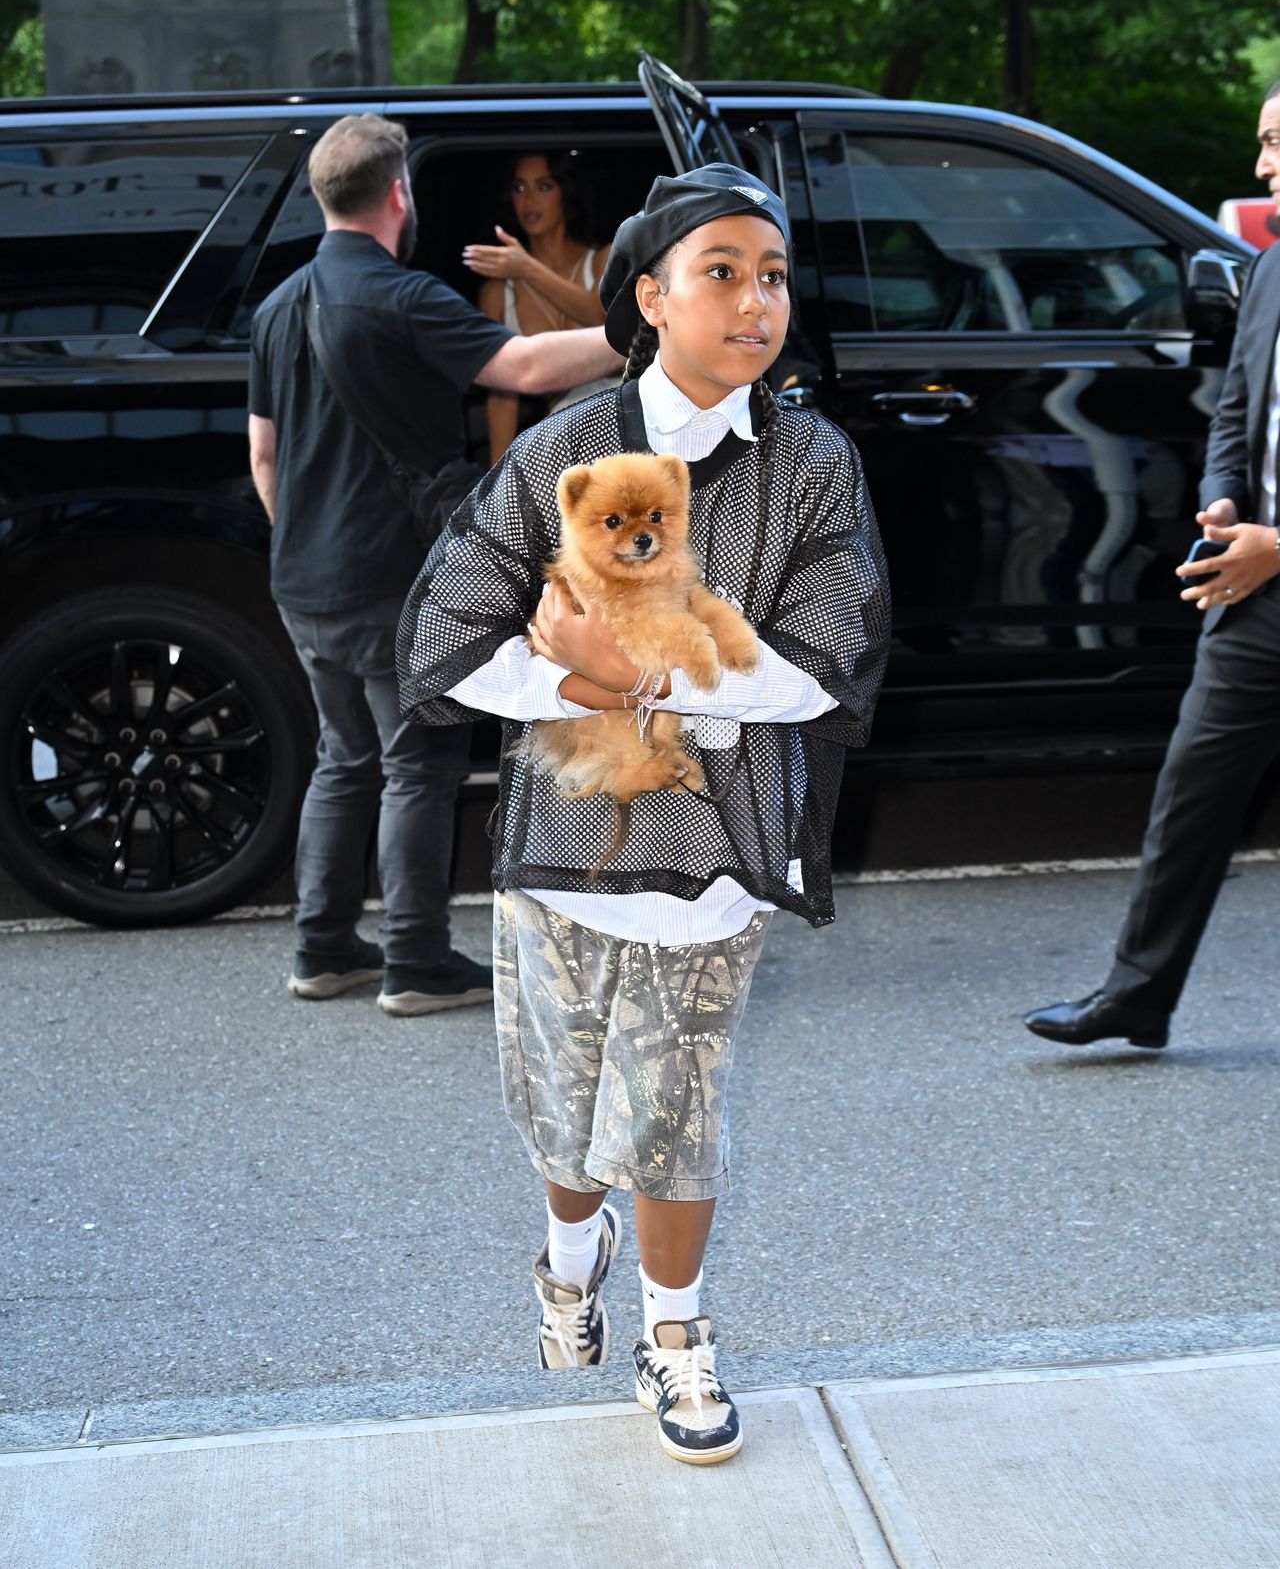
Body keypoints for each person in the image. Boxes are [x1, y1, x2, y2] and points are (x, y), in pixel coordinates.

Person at [398, 165, 889, 1462]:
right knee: (562, 1107)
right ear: (649, 296)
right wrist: (571, 682)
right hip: (561, 838)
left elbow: (834, 653)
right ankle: (574, 1241)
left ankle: (676, 1337)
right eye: (722, 271)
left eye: (772, 275)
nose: (756, 300)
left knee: (672, 1103)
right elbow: (444, 633)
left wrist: (642, 677)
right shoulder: (563, 448)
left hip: (719, 846)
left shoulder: (814, 463)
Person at [247, 114, 618, 1018]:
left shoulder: (275, 307)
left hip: (301, 576)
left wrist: (304, 541)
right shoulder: (400, 294)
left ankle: (323, 949)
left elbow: (262, 455)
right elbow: (525, 366)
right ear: (398, 194)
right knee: (420, 764)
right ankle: (414, 960)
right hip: (389, 578)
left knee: (343, 758)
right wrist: (653, 337)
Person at [1024, 80, 1280, 1052]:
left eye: (1271, 143)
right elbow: (1231, 416)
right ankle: (1135, 994)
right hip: (1252, 591)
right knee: (1191, 790)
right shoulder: (1266, 273)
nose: (1258, 167)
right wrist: (1223, 501)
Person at [463, 152, 617, 464]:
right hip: (562, 441)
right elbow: (502, 397)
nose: (529, 200)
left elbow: (600, 318)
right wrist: (496, 481)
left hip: (624, 425)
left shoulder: (604, 259)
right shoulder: (497, 292)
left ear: (567, 192)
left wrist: (526, 268)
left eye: (544, 186)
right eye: (519, 188)